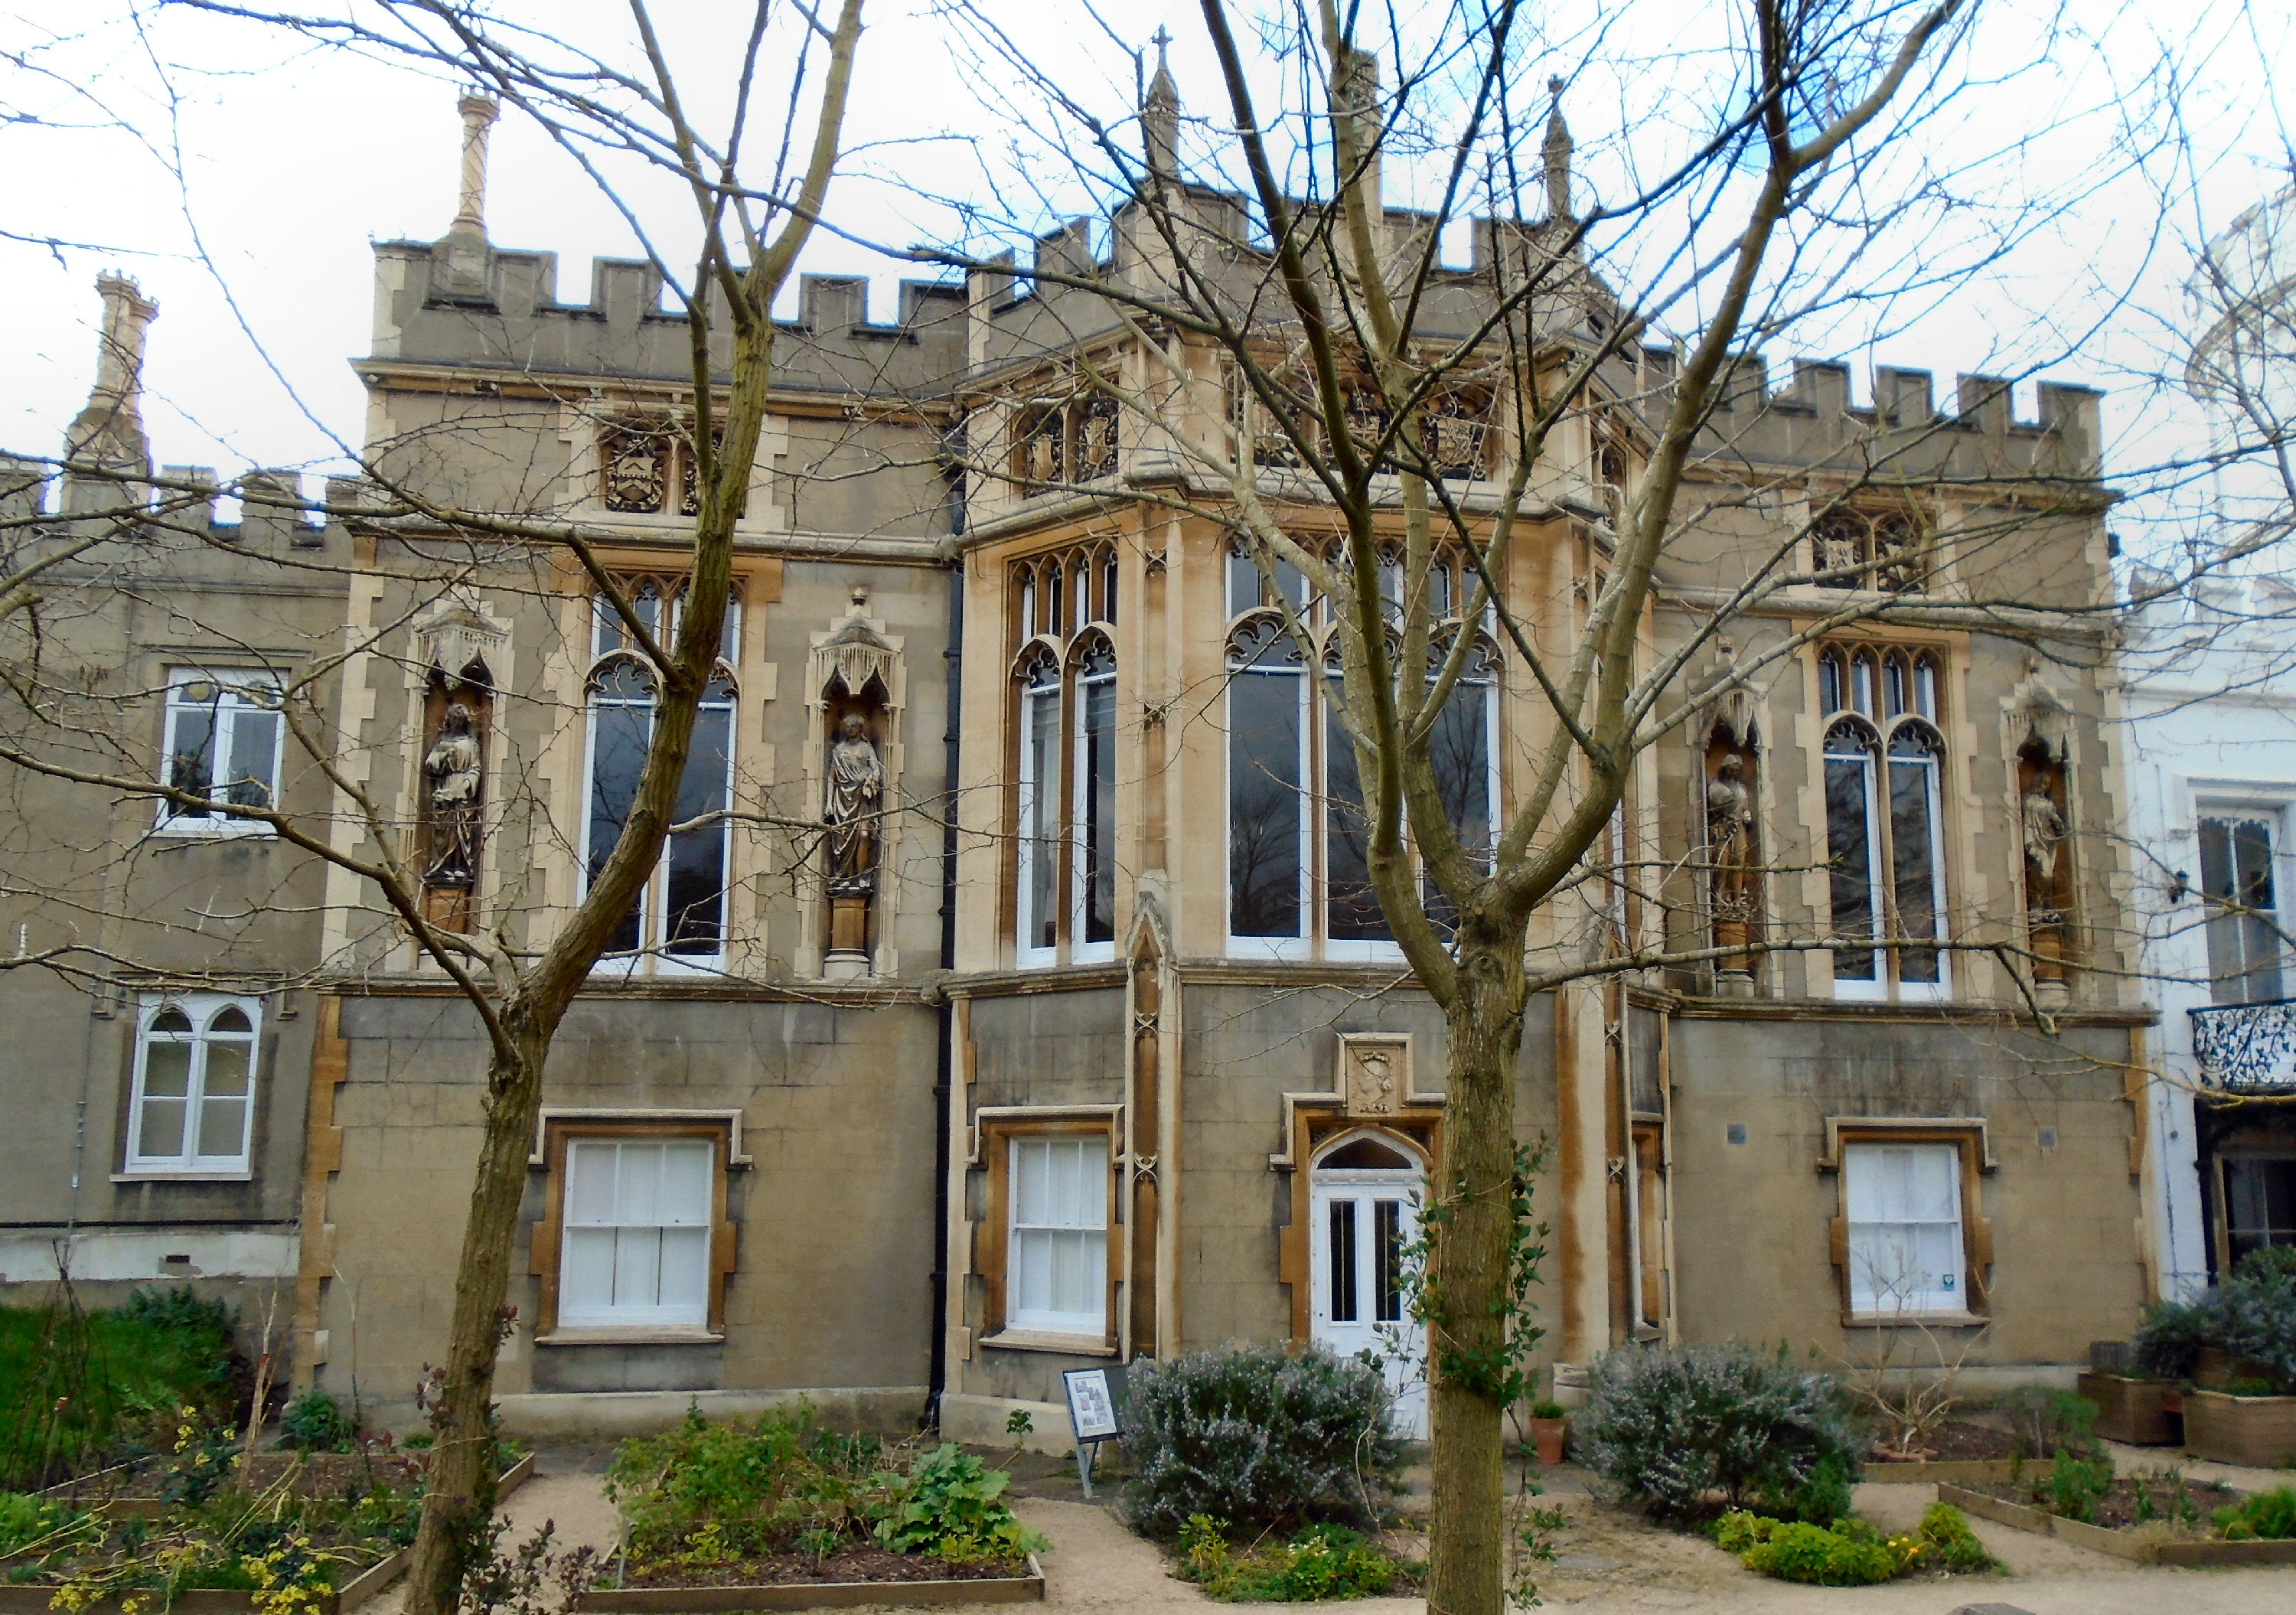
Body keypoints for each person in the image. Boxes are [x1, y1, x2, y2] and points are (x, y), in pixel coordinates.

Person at [825, 712, 883, 883]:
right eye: (848, 726)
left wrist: (871, 778)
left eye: (853, 726)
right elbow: (831, 777)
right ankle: (843, 875)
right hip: (841, 798)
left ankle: (861, 876)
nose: (850, 729)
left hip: (862, 800)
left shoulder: (867, 748)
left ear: (860, 728)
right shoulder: (839, 750)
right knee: (841, 837)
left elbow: (876, 769)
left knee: (864, 835)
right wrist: (828, 803)